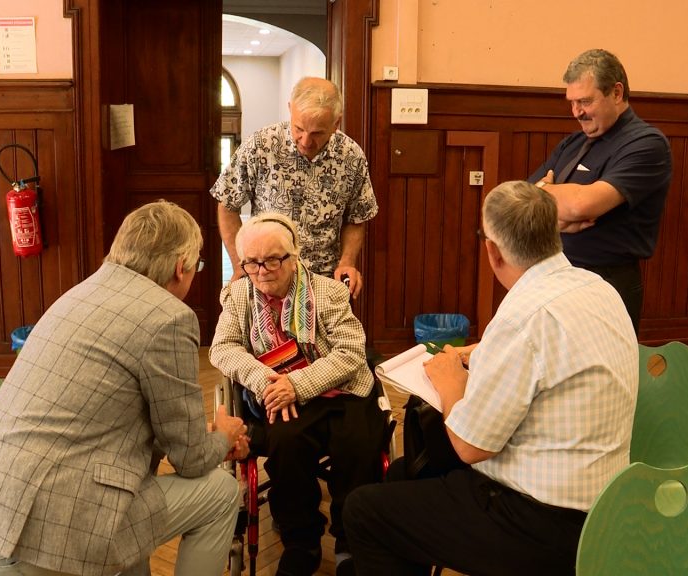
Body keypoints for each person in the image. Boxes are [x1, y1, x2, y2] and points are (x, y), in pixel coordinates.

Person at [343, 181, 638, 576]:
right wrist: (479, 351)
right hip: (606, 507)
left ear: (492, 250)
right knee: (402, 477)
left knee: (365, 511)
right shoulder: (598, 287)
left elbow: (470, 445)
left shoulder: (522, 317)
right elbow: (549, 355)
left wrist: (451, 378)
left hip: (542, 522)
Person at [0, 200, 249, 576]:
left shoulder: (79, 293)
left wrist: (195, 437)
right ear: (180, 266)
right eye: (198, 266)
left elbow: (105, 417)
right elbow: (193, 461)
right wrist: (223, 435)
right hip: (47, 540)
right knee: (219, 493)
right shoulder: (169, 317)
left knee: (127, 502)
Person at [209, 213, 387, 576]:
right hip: (279, 394)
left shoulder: (328, 291)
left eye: (273, 260)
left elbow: (351, 352)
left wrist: (297, 384)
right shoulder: (240, 294)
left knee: (358, 443)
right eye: (252, 263)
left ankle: (351, 544)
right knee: (285, 442)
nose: (262, 271)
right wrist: (267, 381)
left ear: (294, 257)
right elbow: (222, 348)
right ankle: (301, 542)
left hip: (341, 389)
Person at [531, 48, 672, 332]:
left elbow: (582, 206)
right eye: (572, 102)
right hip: (554, 276)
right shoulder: (572, 143)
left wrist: (548, 193)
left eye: (585, 101)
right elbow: (523, 198)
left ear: (617, 93)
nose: (577, 112)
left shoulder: (646, 144)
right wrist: (558, 215)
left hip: (606, 285)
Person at [210, 76, 377, 298]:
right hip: (265, 277)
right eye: (299, 128)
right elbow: (227, 203)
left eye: (317, 133)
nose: (306, 141)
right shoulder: (261, 146)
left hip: (323, 283)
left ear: (336, 123)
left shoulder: (351, 156)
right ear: (290, 110)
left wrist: (347, 261)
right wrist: (240, 263)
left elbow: (357, 216)